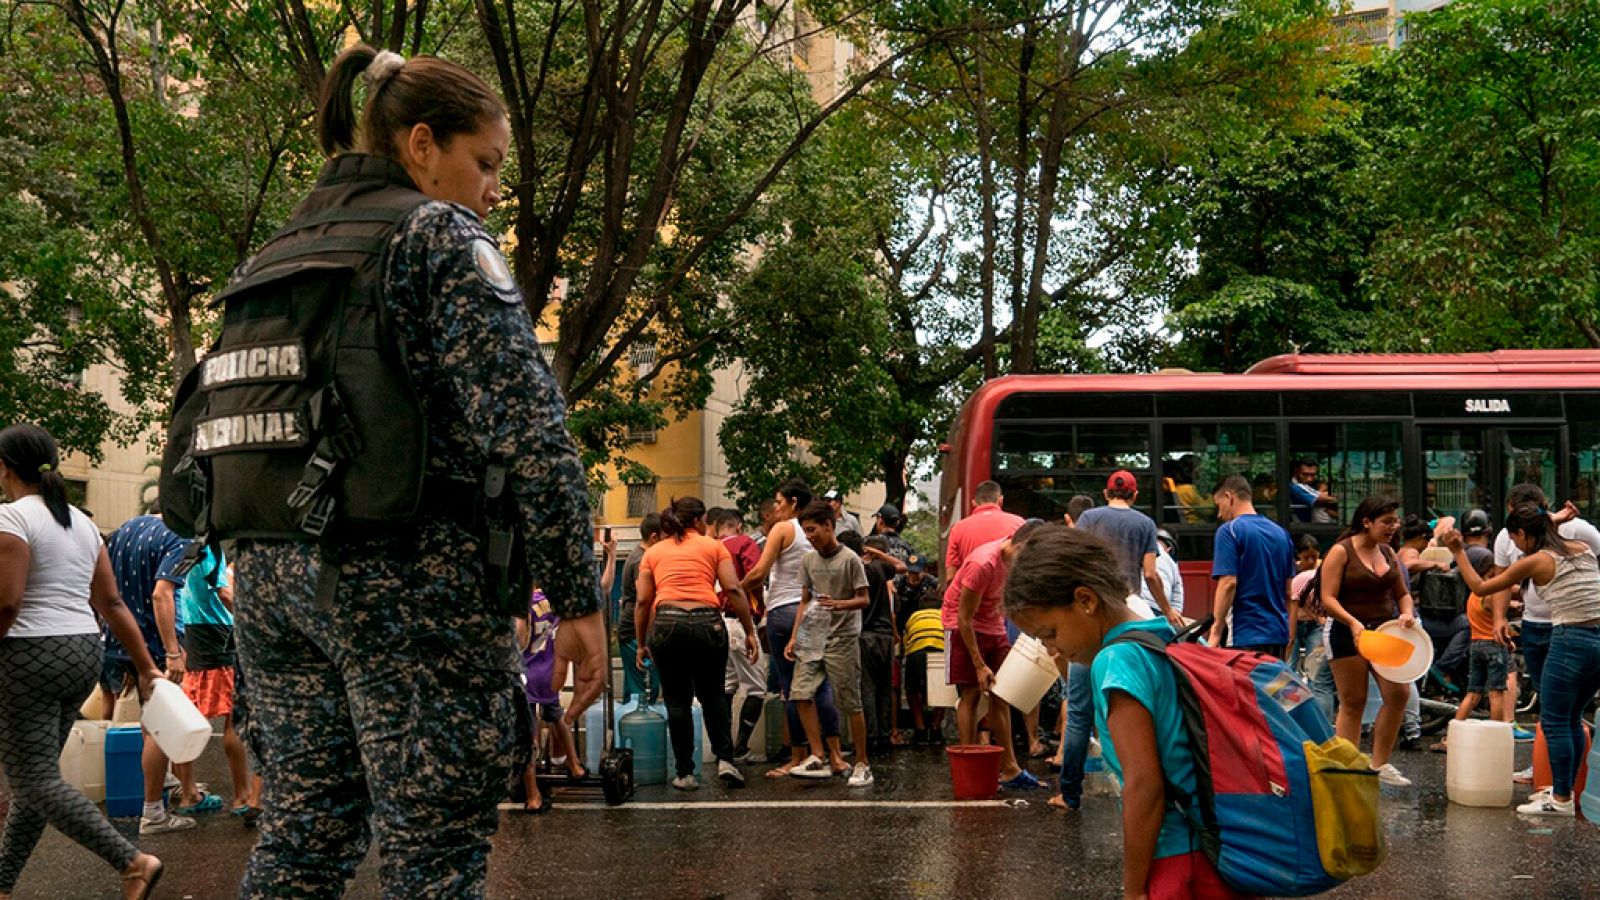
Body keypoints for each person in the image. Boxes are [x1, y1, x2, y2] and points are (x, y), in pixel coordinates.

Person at [221, 47, 608, 896]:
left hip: (270, 576)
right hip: (404, 579)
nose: (493, 191)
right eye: (486, 163)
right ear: (422, 143)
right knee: (435, 854)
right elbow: (530, 428)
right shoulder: (435, 233)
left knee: (302, 839)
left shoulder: (280, 250)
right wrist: (577, 597)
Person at [1005, 525, 1249, 900]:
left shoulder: (1115, 661)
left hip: (1181, 858)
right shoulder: (1160, 632)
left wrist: (1133, 890)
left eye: (1050, 632)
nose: (1052, 648)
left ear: (1086, 600)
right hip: (1221, 846)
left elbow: (1144, 787)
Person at [0, 424, 166, 900]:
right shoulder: (80, 521)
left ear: (4, 467)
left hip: (28, 655)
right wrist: (147, 667)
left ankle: (133, 861)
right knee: (38, 776)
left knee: (33, 779)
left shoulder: (11, 519)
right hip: (82, 652)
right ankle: (4, 884)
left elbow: (7, 603)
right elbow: (112, 604)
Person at [1446, 504, 1600, 816]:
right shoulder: (1582, 548)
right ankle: (1564, 792)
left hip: (1571, 639)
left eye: (1515, 538)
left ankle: (1559, 800)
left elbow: (1480, 587)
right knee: (1572, 717)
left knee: (1556, 721)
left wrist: (1457, 551)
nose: (1514, 545)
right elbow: (1546, 531)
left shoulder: (1537, 561)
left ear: (1523, 534)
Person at [636, 497, 759, 790]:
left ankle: (685, 773)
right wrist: (749, 630)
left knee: (677, 700)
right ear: (696, 521)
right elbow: (733, 588)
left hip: (668, 624)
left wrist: (642, 643)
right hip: (709, 623)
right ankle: (726, 760)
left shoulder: (653, 553)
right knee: (713, 695)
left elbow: (643, 601)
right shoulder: (714, 547)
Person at [103, 503, 207, 834]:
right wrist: (173, 652)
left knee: (151, 721)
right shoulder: (184, 539)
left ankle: (161, 791)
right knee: (161, 726)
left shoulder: (126, 528)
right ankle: (153, 813)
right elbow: (162, 594)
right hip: (155, 643)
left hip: (121, 638)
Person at [742, 479, 845, 778]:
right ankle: (835, 755)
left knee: (792, 689)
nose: (776, 508)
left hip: (784, 612)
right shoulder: (815, 532)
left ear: (793, 503)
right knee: (820, 685)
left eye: (779, 501)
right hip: (814, 611)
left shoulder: (784, 528)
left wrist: (730, 590)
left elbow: (760, 573)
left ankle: (799, 755)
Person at [1318, 496, 1418, 787]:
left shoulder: (1388, 552)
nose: (1393, 527)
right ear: (1367, 522)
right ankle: (1347, 768)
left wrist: (1407, 613)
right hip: (1345, 632)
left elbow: (1402, 593)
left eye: (1395, 521)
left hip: (1383, 633)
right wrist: (1352, 622)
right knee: (1353, 701)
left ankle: (1380, 764)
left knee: (1398, 694)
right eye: (1387, 521)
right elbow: (1327, 598)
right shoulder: (1341, 552)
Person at [942, 520, 1046, 789]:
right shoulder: (983, 563)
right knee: (971, 695)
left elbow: (1015, 606)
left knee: (1003, 693)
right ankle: (967, 764)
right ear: (1016, 541)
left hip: (992, 624)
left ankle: (1010, 769)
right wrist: (978, 664)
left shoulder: (1017, 565)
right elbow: (964, 618)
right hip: (960, 625)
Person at [787, 503, 874, 785]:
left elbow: (864, 599)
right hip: (813, 637)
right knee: (800, 693)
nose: (809, 536)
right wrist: (794, 636)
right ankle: (817, 755)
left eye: (812, 530)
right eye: (805, 531)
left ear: (828, 525)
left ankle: (862, 762)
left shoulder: (850, 559)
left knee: (850, 701)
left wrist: (840, 604)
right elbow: (804, 600)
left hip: (843, 638)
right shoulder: (808, 561)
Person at [175, 543, 259, 820]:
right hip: (218, 634)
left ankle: (188, 793)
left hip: (193, 632)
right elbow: (224, 592)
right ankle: (242, 796)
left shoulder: (183, 545)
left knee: (186, 717)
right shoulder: (210, 549)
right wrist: (253, 619)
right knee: (234, 718)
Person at [1430, 534, 1507, 753]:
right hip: (1494, 645)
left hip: (1475, 646)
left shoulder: (1474, 595)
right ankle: (1497, 738)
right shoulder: (1492, 595)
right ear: (1492, 573)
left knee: (1472, 695)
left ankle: (1450, 739)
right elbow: (1499, 612)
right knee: (1496, 693)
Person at [1077, 472, 1182, 629]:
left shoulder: (1088, 518)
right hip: (1127, 605)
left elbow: (1075, 558)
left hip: (1093, 601)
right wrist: (1168, 611)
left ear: (1106, 493)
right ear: (1134, 495)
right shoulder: (1146, 524)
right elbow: (1150, 575)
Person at [1207, 475, 1297, 659]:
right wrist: (1288, 632)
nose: (1219, 514)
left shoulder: (1229, 531)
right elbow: (1288, 592)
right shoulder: (1281, 534)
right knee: (1270, 688)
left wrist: (1216, 631)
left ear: (1229, 497)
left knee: (1243, 687)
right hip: (1277, 635)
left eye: (1218, 506)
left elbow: (1228, 583)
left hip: (1245, 633)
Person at [517, 589, 583, 813]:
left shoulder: (523, 601)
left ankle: (533, 795)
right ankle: (575, 765)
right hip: (550, 671)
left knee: (528, 732)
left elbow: (519, 637)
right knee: (557, 717)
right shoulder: (554, 600)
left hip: (527, 671)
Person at [714, 510, 766, 762]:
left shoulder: (708, 547)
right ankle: (741, 747)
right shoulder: (744, 543)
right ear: (739, 526)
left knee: (727, 684)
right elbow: (756, 575)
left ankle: (723, 749)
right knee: (757, 686)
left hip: (713, 622)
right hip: (738, 619)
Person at [855, 534, 898, 755]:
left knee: (868, 687)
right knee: (885, 687)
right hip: (886, 636)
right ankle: (885, 736)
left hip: (865, 634)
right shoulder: (883, 570)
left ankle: (870, 738)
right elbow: (901, 566)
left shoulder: (859, 570)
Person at [896, 555, 944, 744]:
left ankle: (920, 728)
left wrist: (904, 655)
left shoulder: (932, 585)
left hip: (915, 646)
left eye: (917, 573)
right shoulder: (942, 616)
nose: (913, 576)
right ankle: (936, 728)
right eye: (910, 572)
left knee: (911, 688)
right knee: (943, 690)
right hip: (939, 650)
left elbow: (907, 642)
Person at [943, 480, 1023, 589]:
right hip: (1007, 600)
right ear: (1001, 500)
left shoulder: (958, 528)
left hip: (972, 600)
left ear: (974, 503)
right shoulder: (1019, 524)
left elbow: (950, 577)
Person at [617, 514, 663, 704]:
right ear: (654, 537)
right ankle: (640, 733)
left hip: (634, 631)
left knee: (635, 689)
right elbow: (644, 599)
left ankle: (626, 733)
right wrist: (647, 639)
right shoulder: (641, 560)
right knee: (647, 687)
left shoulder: (641, 555)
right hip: (634, 632)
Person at [1290, 458, 1337, 524]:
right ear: (1296, 472)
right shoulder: (1295, 487)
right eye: (1305, 474)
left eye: (1313, 475)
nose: (1309, 479)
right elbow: (1327, 498)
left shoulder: (1313, 484)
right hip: (1303, 526)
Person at [1153, 529, 1183, 618]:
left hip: (1137, 605)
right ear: (1169, 549)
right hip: (1160, 609)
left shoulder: (1136, 554)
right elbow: (1177, 598)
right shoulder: (1173, 564)